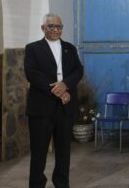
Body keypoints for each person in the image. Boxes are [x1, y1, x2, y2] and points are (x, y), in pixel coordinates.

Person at [24, 13, 83, 188]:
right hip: (41, 107)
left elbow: (78, 71)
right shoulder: (33, 48)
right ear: (43, 28)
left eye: (59, 26)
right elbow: (32, 74)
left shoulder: (70, 48)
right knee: (39, 152)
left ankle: (62, 183)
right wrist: (58, 91)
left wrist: (65, 84)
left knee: (64, 151)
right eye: (51, 26)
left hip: (65, 108)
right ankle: (36, 184)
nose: (55, 30)